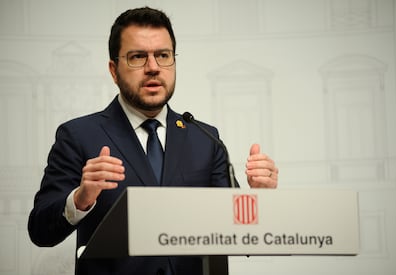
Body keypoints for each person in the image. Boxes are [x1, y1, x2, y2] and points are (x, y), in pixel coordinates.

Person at [28, 6, 278, 275]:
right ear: (114, 70)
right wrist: (80, 199)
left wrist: (258, 200)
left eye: (163, 55)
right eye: (137, 57)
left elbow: (237, 233)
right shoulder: (79, 136)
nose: (153, 68)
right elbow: (41, 231)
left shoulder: (206, 139)